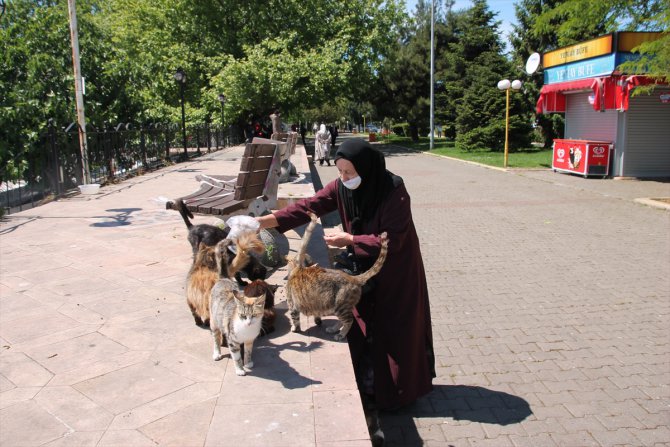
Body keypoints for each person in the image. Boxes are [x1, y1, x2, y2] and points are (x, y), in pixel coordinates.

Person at [256, 139, 436, 441]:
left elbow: (393, 239)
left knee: (395, 330)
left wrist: (351, 240)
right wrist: (263, 221)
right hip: (361, 270)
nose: (343, 178)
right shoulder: (342, 187)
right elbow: (308, 206)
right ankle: (371, 387)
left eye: (349, 172)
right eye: (340, 171)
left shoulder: (393, 191)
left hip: (396, 271)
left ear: (365, 167)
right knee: (362, 324)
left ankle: (399, 393)